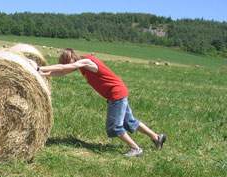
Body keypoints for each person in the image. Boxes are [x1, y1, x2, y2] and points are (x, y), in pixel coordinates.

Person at [38, 48, 166, 157]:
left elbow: (63, 68)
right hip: (117, 92)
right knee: (130, 121)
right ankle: (157, 137)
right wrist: (42, 73)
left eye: (67, 61)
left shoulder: (87, 61)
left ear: (72, 57)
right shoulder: (82, 66)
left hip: (116, 94)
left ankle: (136, 149)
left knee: (114, 127)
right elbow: (61, 71)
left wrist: (39, 67)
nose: (66, 65)